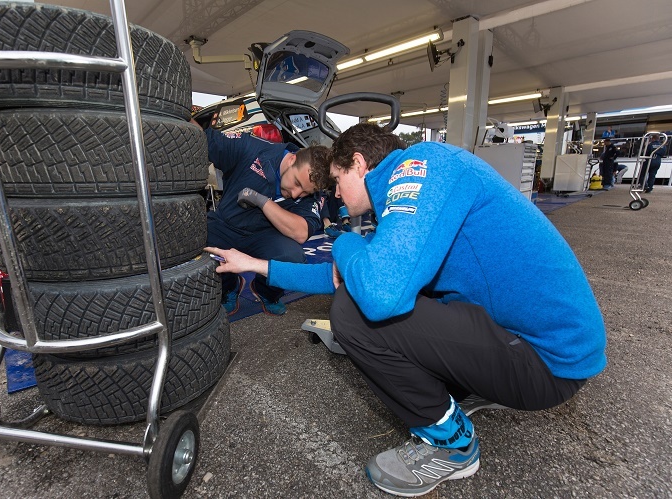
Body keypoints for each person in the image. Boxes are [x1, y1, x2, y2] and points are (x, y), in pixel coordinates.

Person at [206, 123, 607, 497]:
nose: (337, 195)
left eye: (340, 181)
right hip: (528, 341)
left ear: (359, 164)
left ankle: (452, 444)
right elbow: (339, 276)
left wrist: (343, 242)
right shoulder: (412, 186)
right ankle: (470, 385)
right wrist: (254, 265)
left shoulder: (420, 168)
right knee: (376, 285)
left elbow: (378, 293)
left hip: (547, 362)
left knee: (353, 313)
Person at [192, 120, 331, 315]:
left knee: (293, 257)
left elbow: (300, 233)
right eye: (297, 182)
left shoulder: (313, 193)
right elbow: (199, 138)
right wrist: (176, 110)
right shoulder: (252, 148)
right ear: (291, 160)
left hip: (265, 237)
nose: (296, 193)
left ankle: (266, 291)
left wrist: (262, 201)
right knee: (196, 240)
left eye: (304, 192)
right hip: (226, 224)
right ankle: (229, 287)